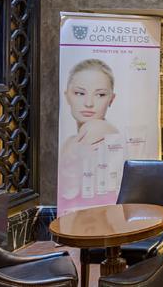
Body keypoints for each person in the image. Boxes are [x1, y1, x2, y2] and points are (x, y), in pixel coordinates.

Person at [58, 59, 124, 212]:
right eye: (80, 93)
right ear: (67, 96)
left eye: (100, 94)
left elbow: (69, 192)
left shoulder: (102, 130)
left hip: (104, 219)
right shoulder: (69, 142)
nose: (89, 103)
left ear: (111, 99)